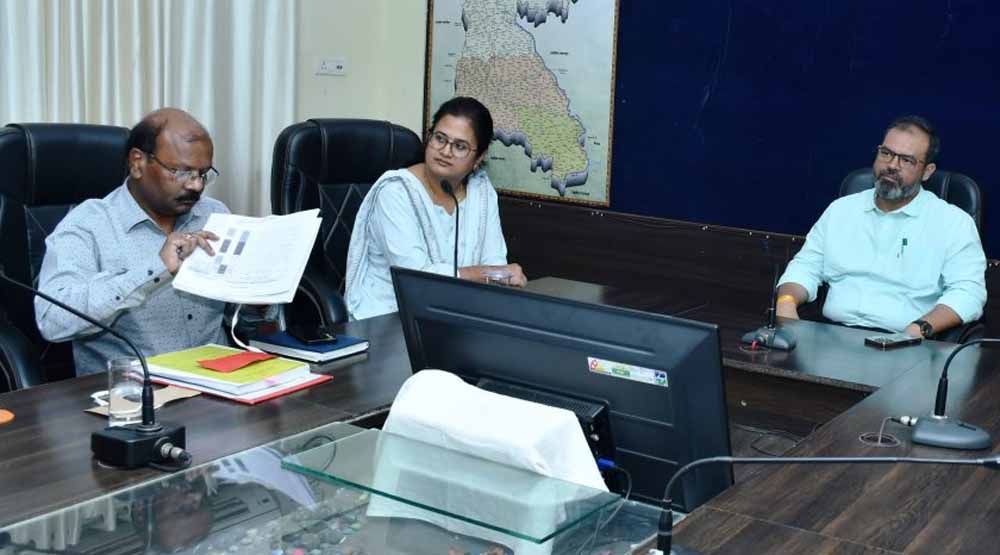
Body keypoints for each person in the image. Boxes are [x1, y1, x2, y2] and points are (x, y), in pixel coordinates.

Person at [36, 108, 233, 374]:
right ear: (138, 162)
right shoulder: (88, 224)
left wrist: (262, 297)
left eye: (203, 173)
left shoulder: (214, 215)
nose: (196, 186)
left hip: (220, 381)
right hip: (135, 387)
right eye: (182, 172)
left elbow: (241, 318)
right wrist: (155, 270)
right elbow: (52, 320)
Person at [776, 115, 986, 339]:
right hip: (830, 336)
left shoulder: (953, 223)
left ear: (927, 171)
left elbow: (968, 293)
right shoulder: (841, 210)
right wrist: (786, 303)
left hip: (906, 341)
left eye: (906, 160)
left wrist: (918, 329)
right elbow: (805, 268)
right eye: (886, 153)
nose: (892, 165)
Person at [345, 96, 527, 320]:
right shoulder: (395, 192)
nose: (445, 151)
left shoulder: (481, 191)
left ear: (479, 157)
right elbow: (415, 278)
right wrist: (487, 274)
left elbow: (495, 262)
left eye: (460, 146)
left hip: (453, 315)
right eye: (440, 139)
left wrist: (496, 275)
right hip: (388, 317)